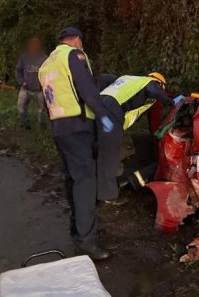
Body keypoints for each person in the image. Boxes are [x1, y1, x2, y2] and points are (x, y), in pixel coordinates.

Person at [38, 27, 115, 261]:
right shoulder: (73, 55)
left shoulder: (47, 64)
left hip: (60, 128)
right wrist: (103, 116)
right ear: (77, 40)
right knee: (85, 182)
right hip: (78, 126)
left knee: (73, 180)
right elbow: (86, 89)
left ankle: (77, 233)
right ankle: (87, 242)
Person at [98, 73, 179, 199]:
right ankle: (107, 194)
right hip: (112, 110)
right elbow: (153, 90)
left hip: (98, 106)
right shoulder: (150, 83)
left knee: (102, 148)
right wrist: (171, 102)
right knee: (111, 154)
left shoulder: (130, 80)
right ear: (160, 84)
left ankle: (94, 185)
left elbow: (102, 79)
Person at [15, 37, 48, 130]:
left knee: (42, 110)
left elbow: (49, 72)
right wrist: (22, 82)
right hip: (25, 88)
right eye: (32, 44)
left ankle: (42, 129)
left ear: (39, 46)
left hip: (39, 89)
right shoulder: (24, 57)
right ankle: (25, 125)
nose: (34, 46)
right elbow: (18, 71)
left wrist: (44, 84)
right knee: (20, 107)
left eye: (36, 44)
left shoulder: (44, 58)